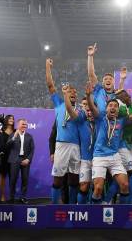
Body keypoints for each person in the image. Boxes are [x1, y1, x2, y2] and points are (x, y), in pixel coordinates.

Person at [85, 83, 132, 204]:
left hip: (114, 156)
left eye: (115, 106)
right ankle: (95, 212)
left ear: (118, 110)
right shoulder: (100, 118)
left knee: (125, 185)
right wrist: (89, 96)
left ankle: (123, 213)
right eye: (110, 105)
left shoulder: (122, 121)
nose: (113, 107)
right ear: (106, 109)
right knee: (98, 188)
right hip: (99, 157)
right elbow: (92, 107)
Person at [46, 57, 81, 204]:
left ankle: (72, 207)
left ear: (76, 96)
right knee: (58, 179)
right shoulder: (59, 103)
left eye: (74, 92)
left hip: (76, 146)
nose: (72, 93)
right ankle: (54, 207)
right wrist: (48, 67)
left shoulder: (80, 110)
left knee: (74, 179)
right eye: (69, 91)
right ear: (65, 93)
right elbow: (50, 85)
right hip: (62, 145)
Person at [7, 119, 34, 203]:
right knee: (13, 179)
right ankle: (11, 197)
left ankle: (23, 197)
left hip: (25, 160)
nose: (24, 126)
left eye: (25, 125)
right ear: (18, 125)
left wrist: (28, 159)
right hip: (15, 160)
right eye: (23, 124)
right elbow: (8, 145)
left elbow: (32, 149)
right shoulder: (12, 135)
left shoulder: (29, 136)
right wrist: (14, 136)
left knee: (25, 179)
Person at [0, 115, 15, 202]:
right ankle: (3, 196)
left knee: (13, 178)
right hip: (3, 158)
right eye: (10, 118)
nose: (12, 120)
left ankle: (12, 197)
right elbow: (0, 146)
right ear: (6, 120)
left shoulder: (16, 132)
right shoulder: (1, 133)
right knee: (3, 177)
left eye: (13, 119)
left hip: (14, 158)